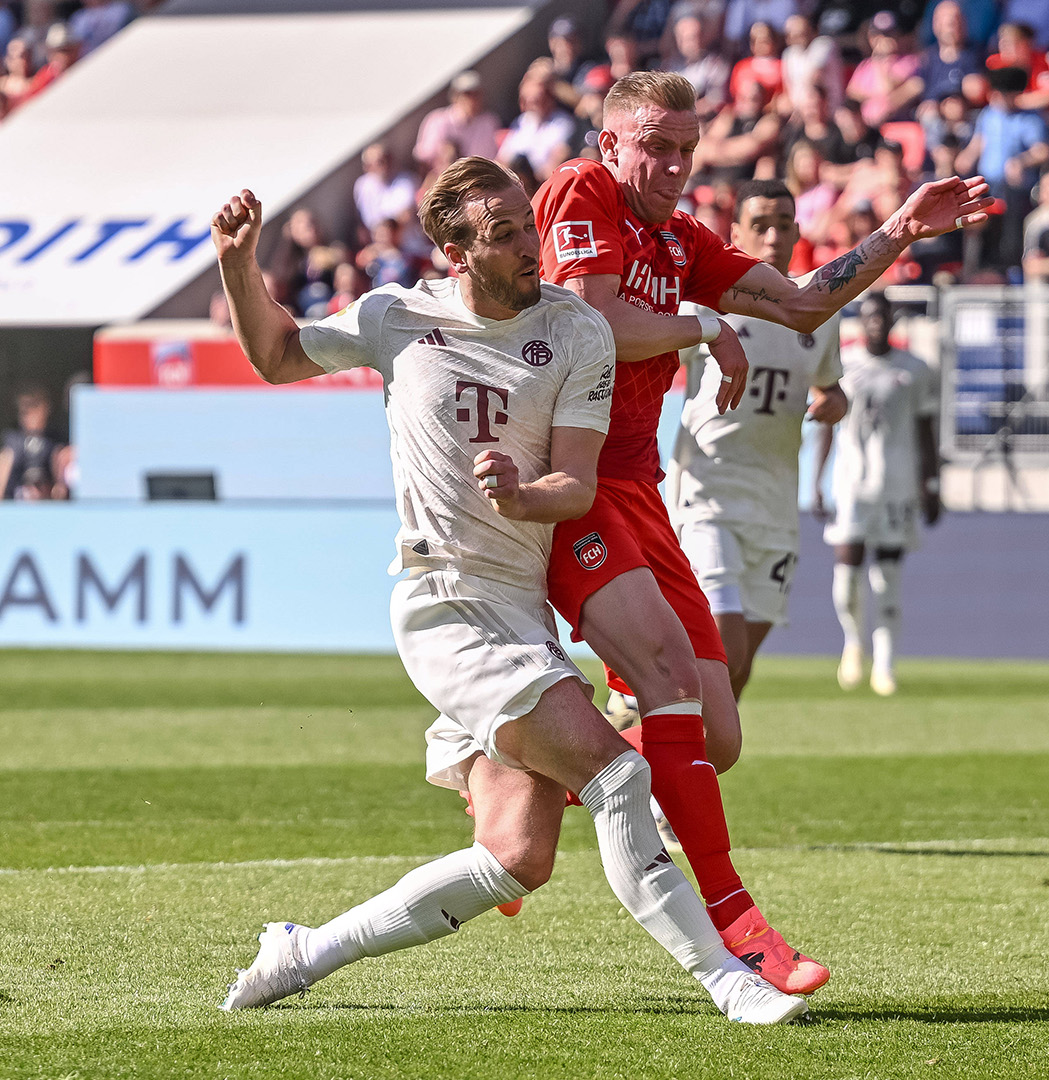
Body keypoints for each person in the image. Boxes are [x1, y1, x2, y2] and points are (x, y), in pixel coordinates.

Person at [208, 160, 809, 1024]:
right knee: (617, 775)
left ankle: (302, 951)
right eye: (503, 233)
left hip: (521, 607)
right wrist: (240, 264)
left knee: (516, 857)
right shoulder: (395, 317)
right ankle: (728, 976)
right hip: (444, 602)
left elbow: (575, 483)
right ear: (455, 251)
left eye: (527, 223)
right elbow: (273, 354)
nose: (531, 245)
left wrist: (524, 497)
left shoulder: (576, 331)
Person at [528, 71, 989, 988]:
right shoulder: (580, 190)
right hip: (568, 481)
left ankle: (527, 755)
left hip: (639, 488)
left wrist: (899, 229)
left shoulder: (681, 238)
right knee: (665, 681)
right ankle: (739, 924)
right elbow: (597, 322)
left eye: (686, 149)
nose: (670, 165)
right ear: (612, 142)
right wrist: (704, 323)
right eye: (653, 145)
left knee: (720, 737)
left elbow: (803, 305)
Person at [668, 179, 849, 698]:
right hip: (707, 496)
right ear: (736, 233)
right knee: (723, 646)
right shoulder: (704, 305)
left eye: (784, 226)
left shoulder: (817, 310)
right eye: (760, 226)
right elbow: (648, 373)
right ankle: (672, 754)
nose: (773, 237)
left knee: (739, 669)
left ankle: (657, 730)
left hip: (774, 505)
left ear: (797, 232)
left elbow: (830, 388)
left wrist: (837, 403)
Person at [813, 294, 940, 696]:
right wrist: (817, 481)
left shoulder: (916, 369)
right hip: (851, 482)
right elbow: (826, 425)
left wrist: (931, 484)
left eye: (883, 317)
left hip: (897, 483)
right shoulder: (843, 364)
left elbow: (926, 430)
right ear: (860, 322)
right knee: (846, 573)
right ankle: (853, 642)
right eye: (869, 317)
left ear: (892, 321)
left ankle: (885, 662)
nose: (876, 324)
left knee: (888, 575)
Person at [958, 65, 1049, 268]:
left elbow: (1043, 150)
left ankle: (1009, 264)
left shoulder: (1029, 119)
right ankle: (975, 268)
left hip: (1015, 188)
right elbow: (978, 142)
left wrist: (1021, 161)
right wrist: (966, 157)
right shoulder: (988, 115)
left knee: (1010, 233)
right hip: (987, 183)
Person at [846, 11, 925, 128]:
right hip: (866, 127)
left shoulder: (910, 62)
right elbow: (851, 94)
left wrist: (880, 61)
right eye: (878, 35)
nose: (883, 39)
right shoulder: (865, 65)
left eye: (889, 34)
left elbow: (887, 89)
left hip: (893, 124)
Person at [415, 71, 504, 170]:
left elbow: (494, 158)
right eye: (468, 94)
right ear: (455, 96)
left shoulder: (489, 122)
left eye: (476, 94)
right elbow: (424, 159)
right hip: (444, 178)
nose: (473, 100)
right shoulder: (438, 121)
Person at [497, 77, 578, 183]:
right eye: (528, 101)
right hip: (517, 182)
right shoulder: (522, 122)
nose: (533, 105)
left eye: (538, 100)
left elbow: (558, 158)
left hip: (543, 182)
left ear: (549, 98)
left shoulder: (562, 122)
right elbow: (502, 160)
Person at [1, 387, 59, 501]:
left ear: (46, 409)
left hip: (49, 505)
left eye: (34, 405)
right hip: (16, 502)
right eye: (24, 408)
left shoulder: (54, 441)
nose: (28, 412)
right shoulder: (12, 440)